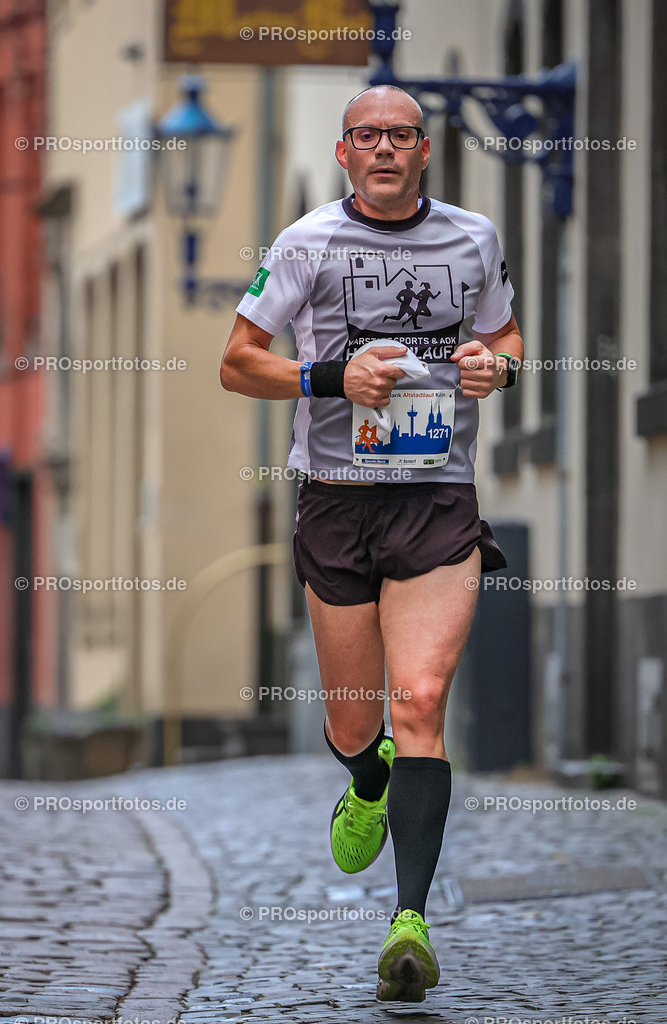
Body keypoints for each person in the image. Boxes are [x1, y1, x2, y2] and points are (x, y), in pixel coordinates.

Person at [220, 84, 524, 1003]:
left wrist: (495, 366)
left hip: (435, 500)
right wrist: (327, 376)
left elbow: (505, 335)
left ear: (424, 152)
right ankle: (365, 773)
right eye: (367, 136)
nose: (385, 148)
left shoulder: (473, 237)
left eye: (401, 135)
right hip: (338, 502)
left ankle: (411, 923)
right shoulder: (304, 244)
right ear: (346, 153)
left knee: (420, 695)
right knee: (359, 721)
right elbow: (238, 363)